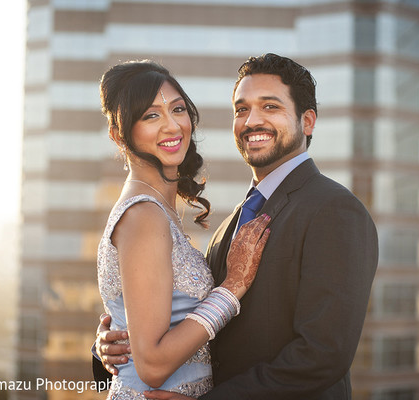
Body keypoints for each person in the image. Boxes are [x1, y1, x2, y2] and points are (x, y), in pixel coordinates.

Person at [96, 54, 378, 399]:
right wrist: (111, 350)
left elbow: (322, 355)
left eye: (270, 107)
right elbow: (188, 329)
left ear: (307, 121)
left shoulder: (334, 210)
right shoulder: (230, 225)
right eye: (241, 109)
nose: (252, 120)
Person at [94, 60, 270, 399]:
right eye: (151, 116)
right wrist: (231, 289)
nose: (172, 125)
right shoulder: (144, 215)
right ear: (119, 134)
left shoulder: (157, 210)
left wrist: (110, 338)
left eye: (177, 109)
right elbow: (154, 367)